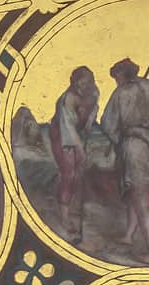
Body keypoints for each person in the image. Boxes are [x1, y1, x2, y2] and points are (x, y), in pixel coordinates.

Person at [103, 59, 149, 257]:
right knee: (135, 193)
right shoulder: (147, 86)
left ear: (122, 75)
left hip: (135, 147)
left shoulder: (120, 93)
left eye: (116, 77)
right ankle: (129, 235)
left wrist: (118, 140)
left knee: (140, 198)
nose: (116, 81)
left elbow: (107, 124)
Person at [51, 66, 99, 239]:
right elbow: (68, 128)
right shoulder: (68, 99)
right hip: (62, 135)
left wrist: (88, 126)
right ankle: (64, 217)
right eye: (84, 81)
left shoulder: (93, 92)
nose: (88, 84)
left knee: (79, 174)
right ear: (77, 82)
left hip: (78, 133)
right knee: (69, 173)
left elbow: (94, 109)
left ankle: (74, 210)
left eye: (90, 80)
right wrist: (80, 148)